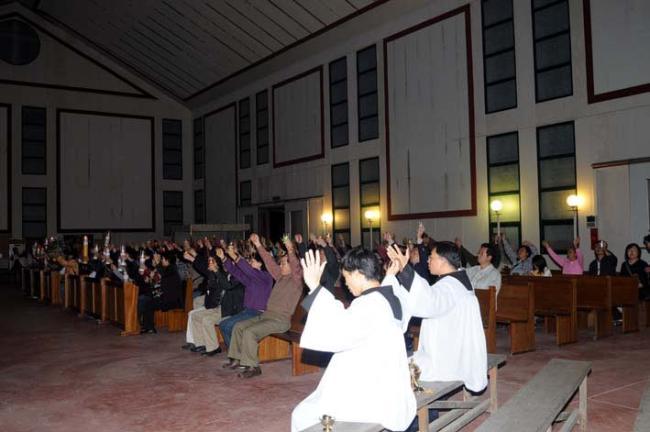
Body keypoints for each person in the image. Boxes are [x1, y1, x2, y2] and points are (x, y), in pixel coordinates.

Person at [291, 248, 416, 432]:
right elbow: (389, 291)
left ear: (358, 274)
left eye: (346, 277)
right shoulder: (391, 299)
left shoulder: (369, 305)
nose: (345, 283)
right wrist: (390, 276)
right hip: (390, 386)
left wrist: (315, 287)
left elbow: (337, 332)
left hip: (368, 392)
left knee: (302, 415)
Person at [386, 242, 487, 393]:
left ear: (443, 261)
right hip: (455, 351)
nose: (427, 260)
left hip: (445, 360)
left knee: (392, 368)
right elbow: (429, 297)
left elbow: (427, 302)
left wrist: (405, 269)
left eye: (431, 257)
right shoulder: (458, 281)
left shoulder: (451, 286)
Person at [222, 233, 303, 378]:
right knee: (239, 327)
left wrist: (291, 250)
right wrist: (258, 244)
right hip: (266, 316)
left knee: (250, 332)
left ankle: (253, 367)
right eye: (281, 263)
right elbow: (269, 262)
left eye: (283, 264)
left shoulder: (296, 281)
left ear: (292, 266)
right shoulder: (280, 277)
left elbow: (296, 266)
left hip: (280, 320)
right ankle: (236, 358)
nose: (280, 265)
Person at [220, 246, 273, 348]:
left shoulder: (266, 276)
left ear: (260, 263)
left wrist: (234, 256)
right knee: (224, 325)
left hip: (258, 313)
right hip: (248, 311)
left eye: (252, 261)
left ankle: (236, 353)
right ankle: (236, 352)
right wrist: (224, 258)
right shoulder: (252, 278)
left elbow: (249, 270)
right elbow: (237, 272)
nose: (250, 263)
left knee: (227, 325)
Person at [182, 250, 231, 355]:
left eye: (212, 261)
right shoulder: (211, 273)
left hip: (223, 309)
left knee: (206, 320)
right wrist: (191, 258)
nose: (210, 263)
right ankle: (201, 344)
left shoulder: (222, 274)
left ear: (217, 263)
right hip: (214, 307)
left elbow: (226, 285)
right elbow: (202, 267)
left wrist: (216, 271)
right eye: (209, 261)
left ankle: (214, 348)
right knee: (195, 316)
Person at [137, 252, 183, 334]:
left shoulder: (172, 269)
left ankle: (148, 327)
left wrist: (152, 267)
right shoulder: (166, 269)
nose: (161, 261)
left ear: (167, 260)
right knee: (146, 301)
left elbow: (159, 276)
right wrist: (145, 273)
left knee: (148, 303)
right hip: (164, 296)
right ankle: (146, 326)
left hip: (172, 300)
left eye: (162, 259)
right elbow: (154, 279)